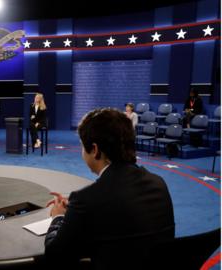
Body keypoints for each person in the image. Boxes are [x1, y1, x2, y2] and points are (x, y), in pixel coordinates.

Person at [44, 108, 175, 269]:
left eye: (82, 147)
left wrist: (58, 218)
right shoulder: (158, 184)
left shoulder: (86, 199)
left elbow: (54, 255)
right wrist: (76, 212)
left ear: (95, 150)